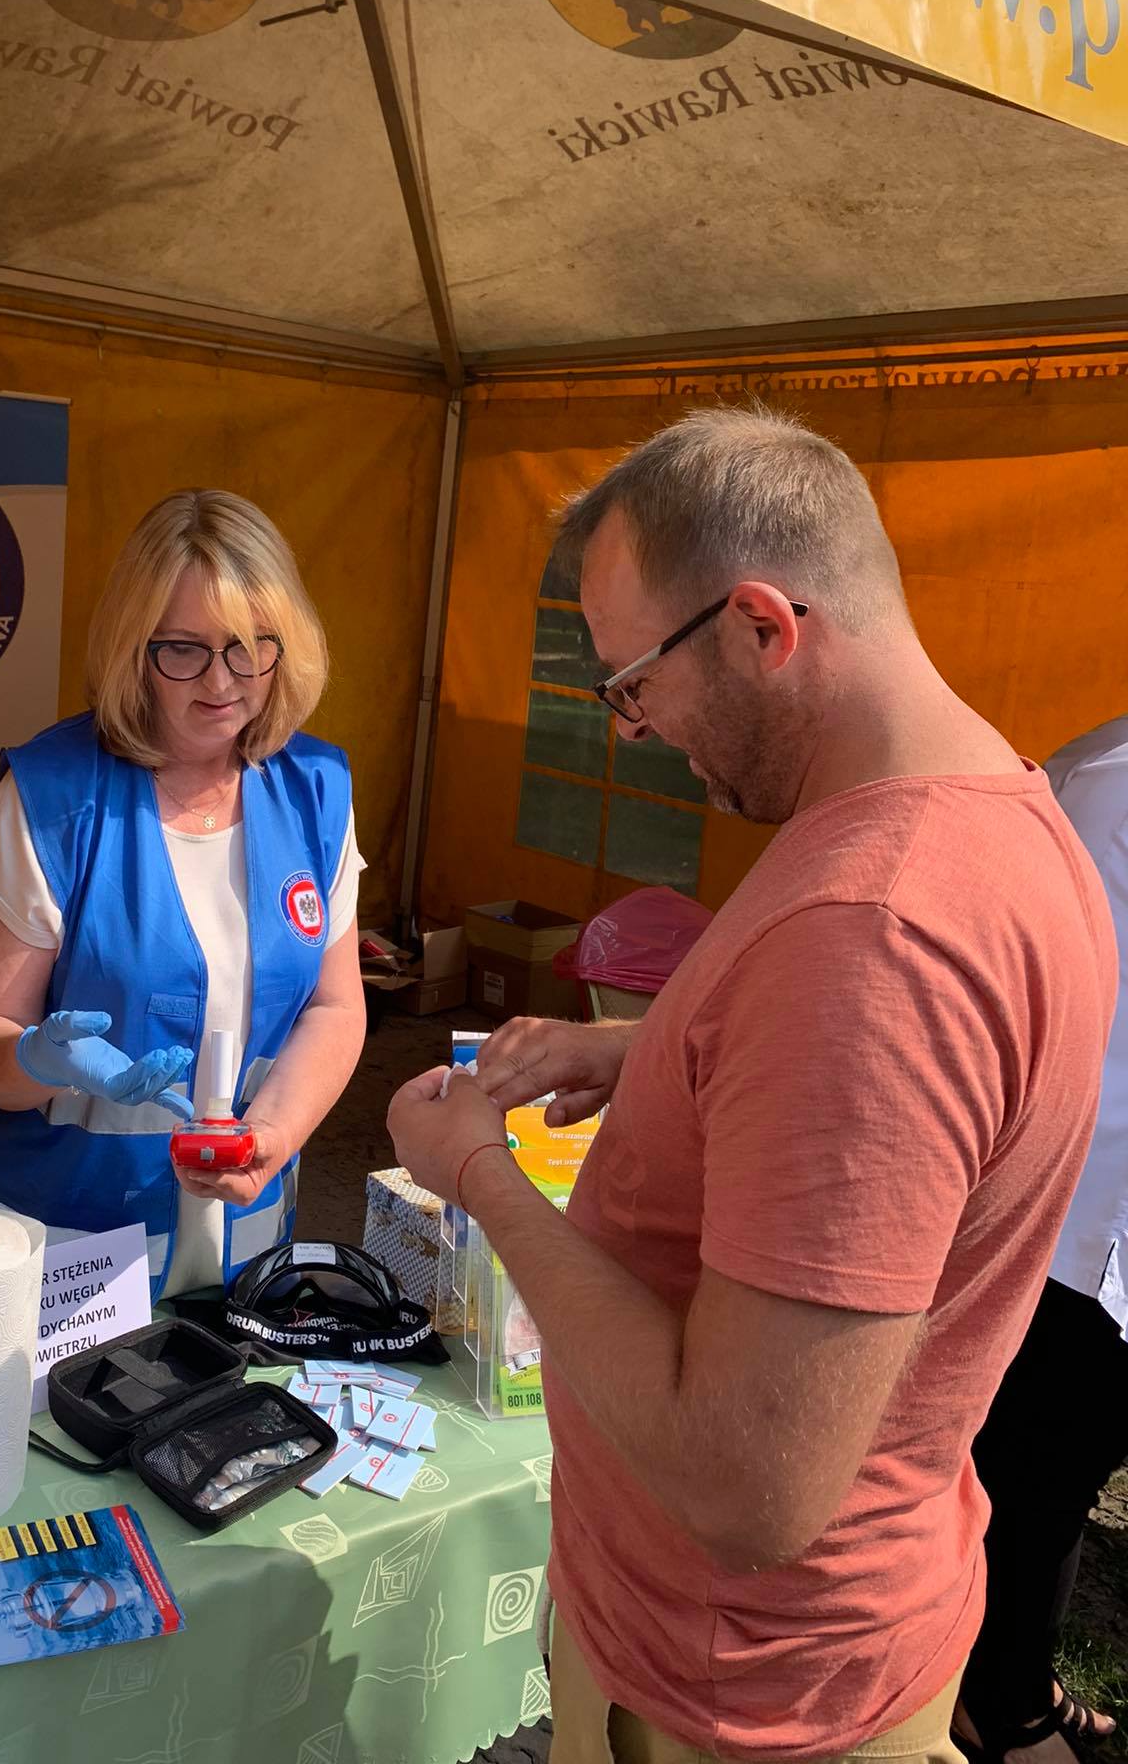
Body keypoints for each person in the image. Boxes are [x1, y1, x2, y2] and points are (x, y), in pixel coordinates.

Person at [387, 407, 1115, 1764]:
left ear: (763, 627)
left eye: (633, 685)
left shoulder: (873, 937)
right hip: (822, 1648)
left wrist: (476, 1171)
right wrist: (651, 1055)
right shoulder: (999, 816)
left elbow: (745, 1481)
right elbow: (913, 1125)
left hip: (733, 1697)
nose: (631, 731)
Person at [0, 488, 367, 1300]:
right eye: (183, 649)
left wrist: (271, 1137)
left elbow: (335, 1007)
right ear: (133, 649)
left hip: (243, 1239)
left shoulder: (316, 790)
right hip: (51, 1257)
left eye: (249, 646)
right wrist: (34, 1060)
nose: (222, 681)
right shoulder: (47, 802)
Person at [954, 714, 1128, 1764]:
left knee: (1054, 1467)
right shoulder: (1107, 783)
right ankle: (997, 1698)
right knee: (1037, 1473)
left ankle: (1012, 1678)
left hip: (1092, 1216)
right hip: (1080, 1214)